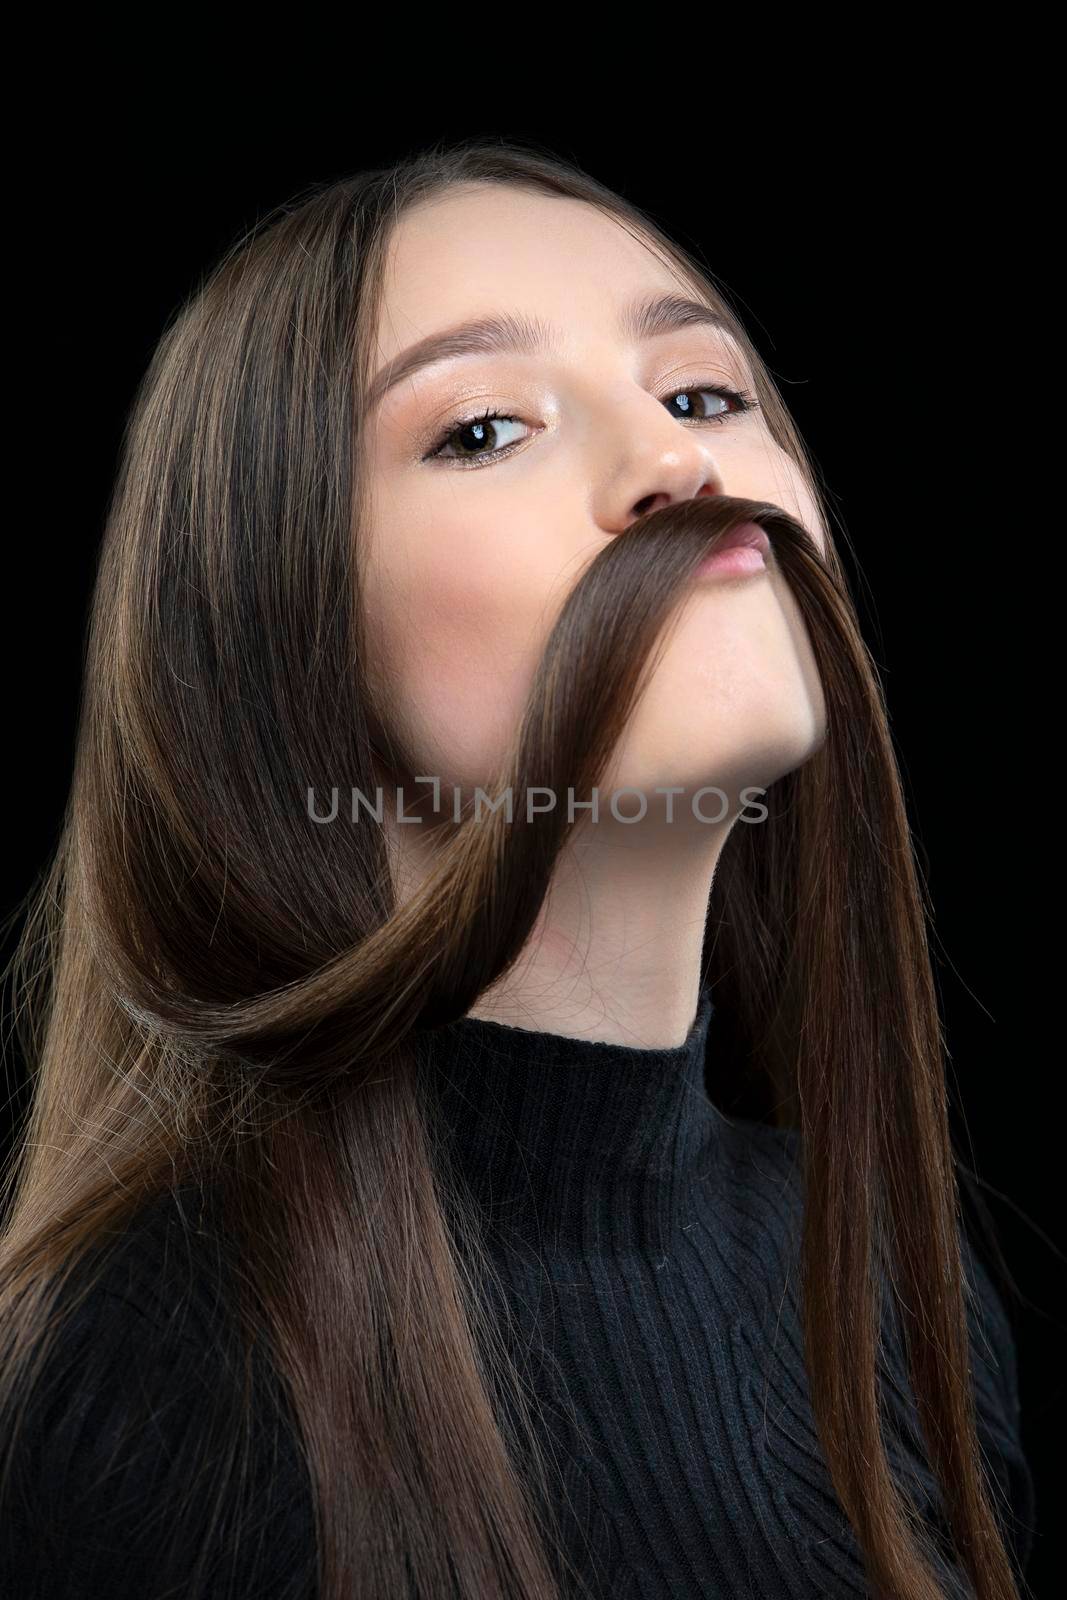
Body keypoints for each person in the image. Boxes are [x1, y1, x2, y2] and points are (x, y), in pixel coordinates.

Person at [0, 139, 1034, 1600]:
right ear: (274, 643)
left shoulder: (887, 1294)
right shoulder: (161, 1380)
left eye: (703, 394)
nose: (678, 463)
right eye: (486, 429)